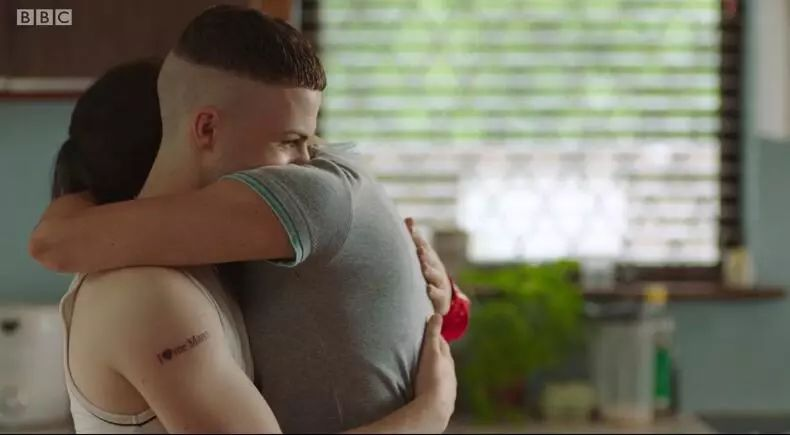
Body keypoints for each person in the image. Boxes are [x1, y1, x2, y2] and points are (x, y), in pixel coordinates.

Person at [49, 59, 456, 434]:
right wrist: (428, 414)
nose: (299, 166)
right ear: (200, 134)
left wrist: (440, 298)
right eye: (284, 141)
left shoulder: (207, 262)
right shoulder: (145, 292)